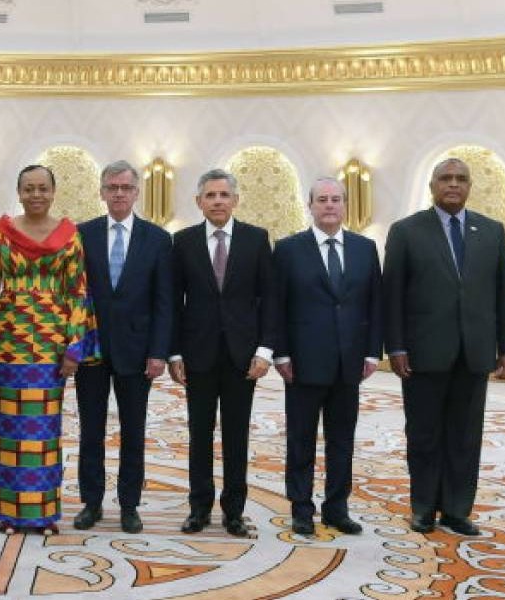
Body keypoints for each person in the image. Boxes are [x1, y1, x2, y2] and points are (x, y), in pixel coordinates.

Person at [384, 157, 505, 536]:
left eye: (461, 179)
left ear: (470, 186)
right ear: (433, 186)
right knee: (424, 435)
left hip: (475, 353)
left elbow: (504, 294)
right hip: (423, 354)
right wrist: (395, 347)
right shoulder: (406, 231)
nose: (453, 184)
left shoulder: (492, 231)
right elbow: (392, 295)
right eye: (446, 178)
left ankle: (458, 511)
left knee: (465, 437)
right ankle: (424, 508)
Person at [0, 164, 96, 536]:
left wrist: (75, 345)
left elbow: (78, 290)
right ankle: (9, 514)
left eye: (43, 188)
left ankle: (42, 514)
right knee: (10, 427)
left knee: (44, 429)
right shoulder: (1, 232)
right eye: (29, 188)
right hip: (9, 342)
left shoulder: (70, 235)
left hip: (51, 345)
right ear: (19, 192)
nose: (36, 195)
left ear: (54, 191)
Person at [169, 168, 277, 538]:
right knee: (199, 435)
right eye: (210, 195)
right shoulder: (183, 241)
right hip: (196, 355)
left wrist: (265, 350)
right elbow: (173, 302)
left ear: (235, 200)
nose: (217, 201)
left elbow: (270, 299)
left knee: (236, 435)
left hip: (242, 356)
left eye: (224, 195)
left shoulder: (256, 239)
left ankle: (234, 512)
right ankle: (198, 509)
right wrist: (174, 353)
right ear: (199, 202)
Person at [273, 178, 382, 536]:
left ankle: (337, 507)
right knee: (300, 440)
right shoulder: (288, 249)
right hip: (302, 363)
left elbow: (375, 304)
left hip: (349, 363)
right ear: (311, 205)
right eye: (322, 199)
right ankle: (301, 508)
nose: (330, 205)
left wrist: (372, 351)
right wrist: (281, 354)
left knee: (342, 441)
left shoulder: (365, 249)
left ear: (345, 205)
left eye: (336, 199)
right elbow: (276, 306)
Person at [74, 160, 172, 534]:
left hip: (138, 351)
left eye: (126, 188)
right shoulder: (82, 235)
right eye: (112, 187)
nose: (119, 194)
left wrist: (159, 351)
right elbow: (73, 295)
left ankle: (129, 505)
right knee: (91, 431)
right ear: (101, 192)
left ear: (136, 193)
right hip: (92, 351)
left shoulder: (157, 239)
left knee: (133, 431)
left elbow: (164, 302)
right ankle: (92, 502)